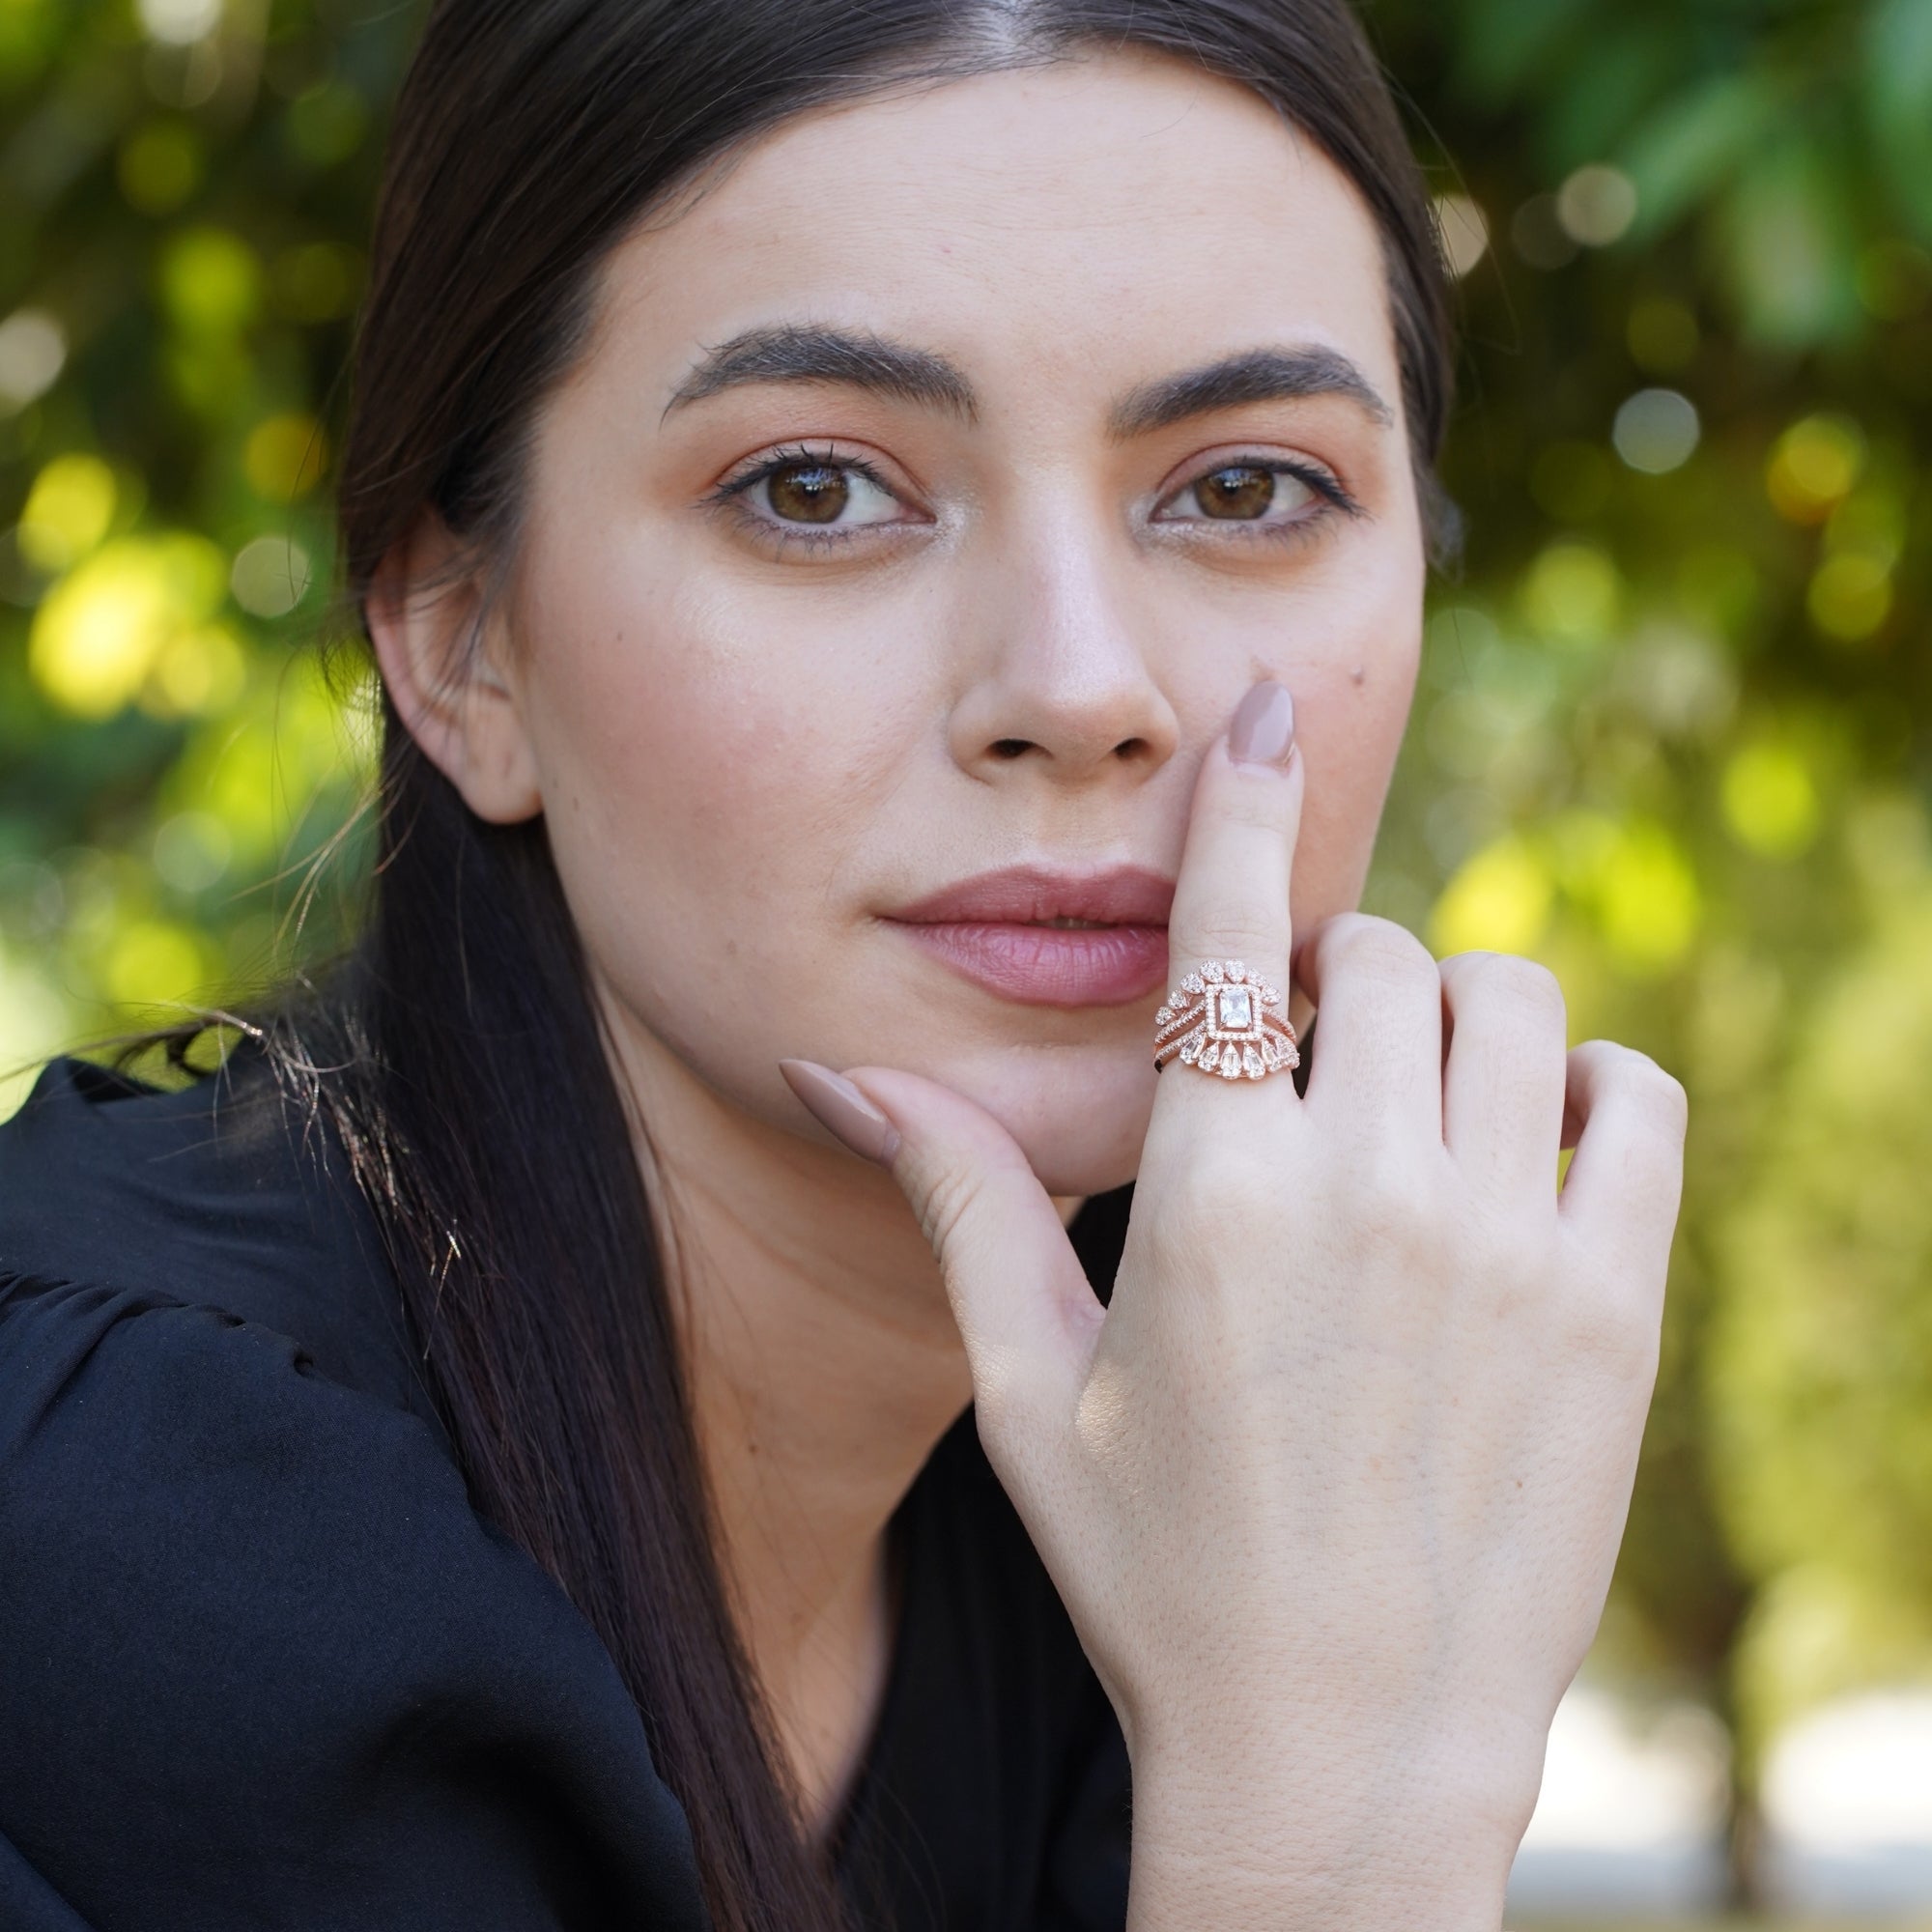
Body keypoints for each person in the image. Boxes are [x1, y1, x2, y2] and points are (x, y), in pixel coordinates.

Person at [0, 2, 1689, 1927]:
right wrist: (1322, 1846)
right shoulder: (107, 1534)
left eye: (1244, 488)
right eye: (814, 486)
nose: (1077, 687)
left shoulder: (1186, 1445)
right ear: (464, 645)